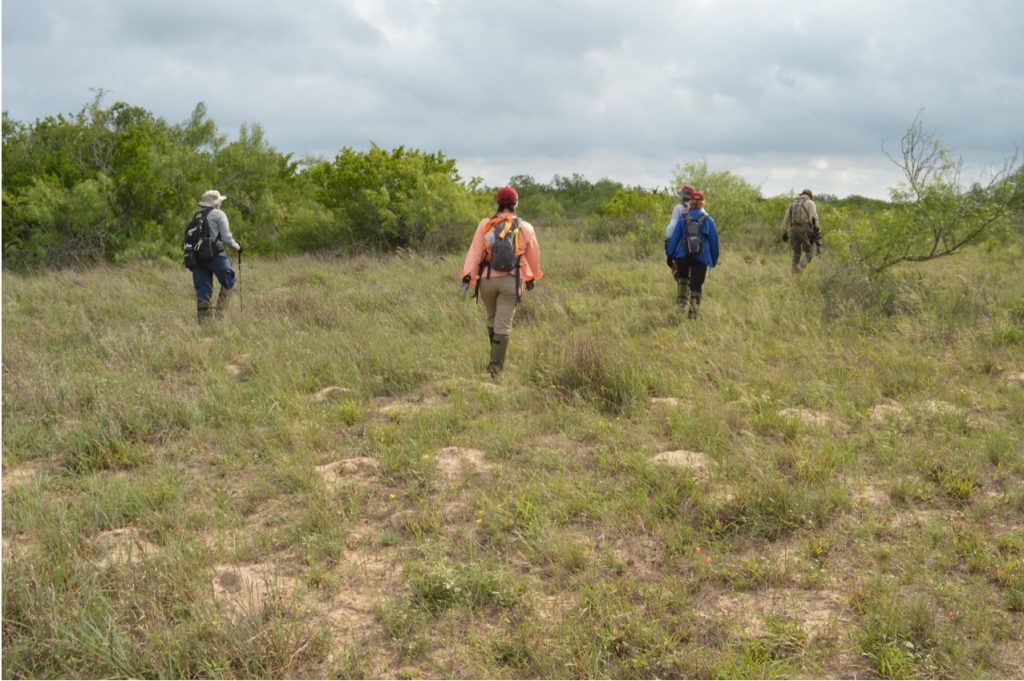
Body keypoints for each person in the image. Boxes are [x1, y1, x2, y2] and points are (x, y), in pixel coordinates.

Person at [460, 186, 543, 376]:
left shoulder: (485, 225)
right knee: (503, 325)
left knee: (492, 320)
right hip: (511, 282)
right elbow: (533, 257)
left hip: (487, 280)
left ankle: (494, 361)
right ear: (515, 204)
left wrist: (467, 276)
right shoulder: (525, 227)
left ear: (498, 203)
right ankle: (496, 369)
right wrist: (532, 276)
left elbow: (475, 253)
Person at [189, 189, 243, 324]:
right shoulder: (219, 214)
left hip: (197, 259)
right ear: (215, 203)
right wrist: (236, 246)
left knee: (203, 292)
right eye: (219, 202)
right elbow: (226, 237)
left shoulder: (196, 217)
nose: (220, 204)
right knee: (229, 282)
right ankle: (220, 316)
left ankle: (205, 324)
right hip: (216, 256)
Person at [665, 190, 719, 319]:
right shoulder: (709, 220)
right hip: (701, 258)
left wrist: (670, 254)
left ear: (691, 202)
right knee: (696, 285)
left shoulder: (683, 218)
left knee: (683, 278)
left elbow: (675, 238)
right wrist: (713, 260)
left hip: (683, 256)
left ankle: (681, 306)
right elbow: (714, 243)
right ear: (702, 203)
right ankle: (693, 314)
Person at [780, 188, 820, 274]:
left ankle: (794, 274)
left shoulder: (793, 203)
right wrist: (816, 229)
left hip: (793, 229)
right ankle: (800, 267)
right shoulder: (810, 203)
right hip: (805, 229)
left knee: (796, 253)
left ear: (802, 194)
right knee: (810, 251)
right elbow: (813, 217)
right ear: (810, 196)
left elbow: (786, 218)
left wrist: (784, 231)